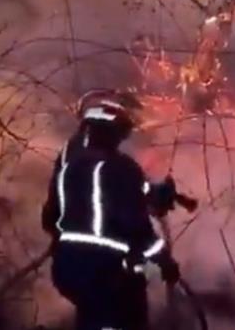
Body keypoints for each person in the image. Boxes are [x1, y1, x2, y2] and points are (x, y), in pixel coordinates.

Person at [41, 89, 181, 330]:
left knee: (92, 319)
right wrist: (165, 261)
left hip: (68, 266)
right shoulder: (122, 168)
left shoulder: (69, 167)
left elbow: (51, 217)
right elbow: (137, 226)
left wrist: (158, 194)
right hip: (106, 270)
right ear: (117, 133)